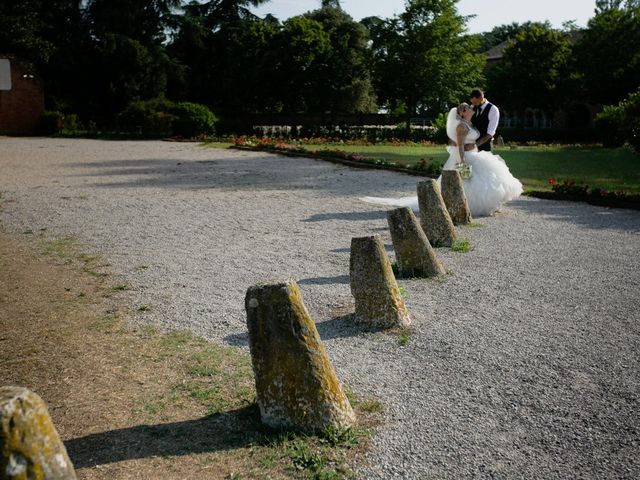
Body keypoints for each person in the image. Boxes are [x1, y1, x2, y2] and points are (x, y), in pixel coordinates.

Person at [361, 102, 523, 217]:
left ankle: (487, 206)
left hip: (475, 155)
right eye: (467, 108)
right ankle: (471, 207)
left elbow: (468, 142)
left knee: (488, 178)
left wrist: (471, 147)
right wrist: (461, 162)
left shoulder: (470, 125)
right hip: (464, 158)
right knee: (470, 182)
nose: (471, 108)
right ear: (462, 113)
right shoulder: (461, 126)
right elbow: (458, 146)